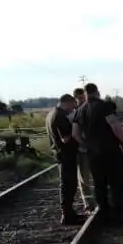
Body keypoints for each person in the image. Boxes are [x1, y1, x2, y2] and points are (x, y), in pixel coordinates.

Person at [71, 83, 123, 225]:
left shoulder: (80, 110)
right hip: (110, 150)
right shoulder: (105, 106)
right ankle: (118, 215)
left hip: (93, 154)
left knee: (99, 183)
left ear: (85, 94)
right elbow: (115, 126)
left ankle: (104, 214)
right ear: (97, 92)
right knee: (116, 182)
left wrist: (86, 144)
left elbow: (75, 134)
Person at [47, 94, 84, 224]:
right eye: (73, 105)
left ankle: (70, 213)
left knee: (67, 184)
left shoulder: (51, 114)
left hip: (60, 153)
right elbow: (66, 138)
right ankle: (67, 215)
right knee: (68, 185)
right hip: (66, 154)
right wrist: (76, 129)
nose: (73, 109)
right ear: (67, 102)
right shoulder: (60, 116)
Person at [69, 87, 94, 211]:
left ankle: (99, 198)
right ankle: (88, 203)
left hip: (93, 148)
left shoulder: (91, 110)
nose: (82, 100)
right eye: (79, 98)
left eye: (83, 98)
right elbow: (73, 134)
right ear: (75, 100)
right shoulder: (72, 115)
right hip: (81, 150)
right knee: (84, 178)